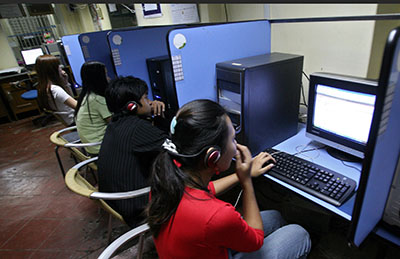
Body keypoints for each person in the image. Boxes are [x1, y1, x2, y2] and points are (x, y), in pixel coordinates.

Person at [147, 99, 311, 259]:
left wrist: (240, 176)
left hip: (194, 249)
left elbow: (206, 190)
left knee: (274, 217)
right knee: (298, 233)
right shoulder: (217, 215)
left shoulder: (166, 179)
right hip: (210, 240)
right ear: (213, 156)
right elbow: (256, 241)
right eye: (233, 139)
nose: (237, 146)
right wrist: (246, 183)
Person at [98, 76, 168, 228]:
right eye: (145, 97)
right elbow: (175, 148)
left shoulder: (116, 124)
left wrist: (153, 116)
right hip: (137, 209)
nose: (150, 102)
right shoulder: (138, 129)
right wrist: (163, 116)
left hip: (114, 201)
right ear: (132, 106)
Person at [75, 61, 112, 155]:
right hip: (101, 149)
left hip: (91, 148)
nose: (109, 78)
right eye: (106, 75)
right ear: (99, 79)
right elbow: (115, 124)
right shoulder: (97, 99)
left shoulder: (87, 96)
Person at [35, 54, 76, 126]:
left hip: (70, 121)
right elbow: (78, 106)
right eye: (58, 66)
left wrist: (65, 83)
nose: (61, 68)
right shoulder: (55, 90)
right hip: (75, 121)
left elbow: (70, 98)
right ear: (52, 70)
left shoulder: (44, 87)